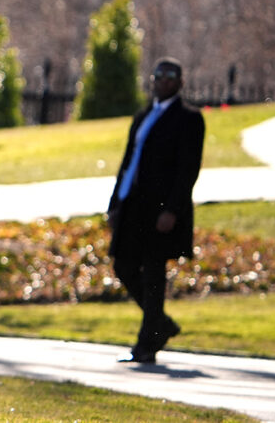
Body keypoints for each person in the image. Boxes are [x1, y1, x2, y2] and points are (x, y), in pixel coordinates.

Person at [107, 57, 205, 364]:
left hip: (161, 210)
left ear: (180, 82)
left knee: (152, 274)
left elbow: (187, 169)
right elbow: (127, 164)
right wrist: (114, 204)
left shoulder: (189, 118)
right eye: (159, 75)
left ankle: (146, 345)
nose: (163, 81)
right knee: (123, 266)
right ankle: (161, 324)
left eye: (170, 76)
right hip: (133, 205)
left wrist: (172, 210)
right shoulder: (143, 115)